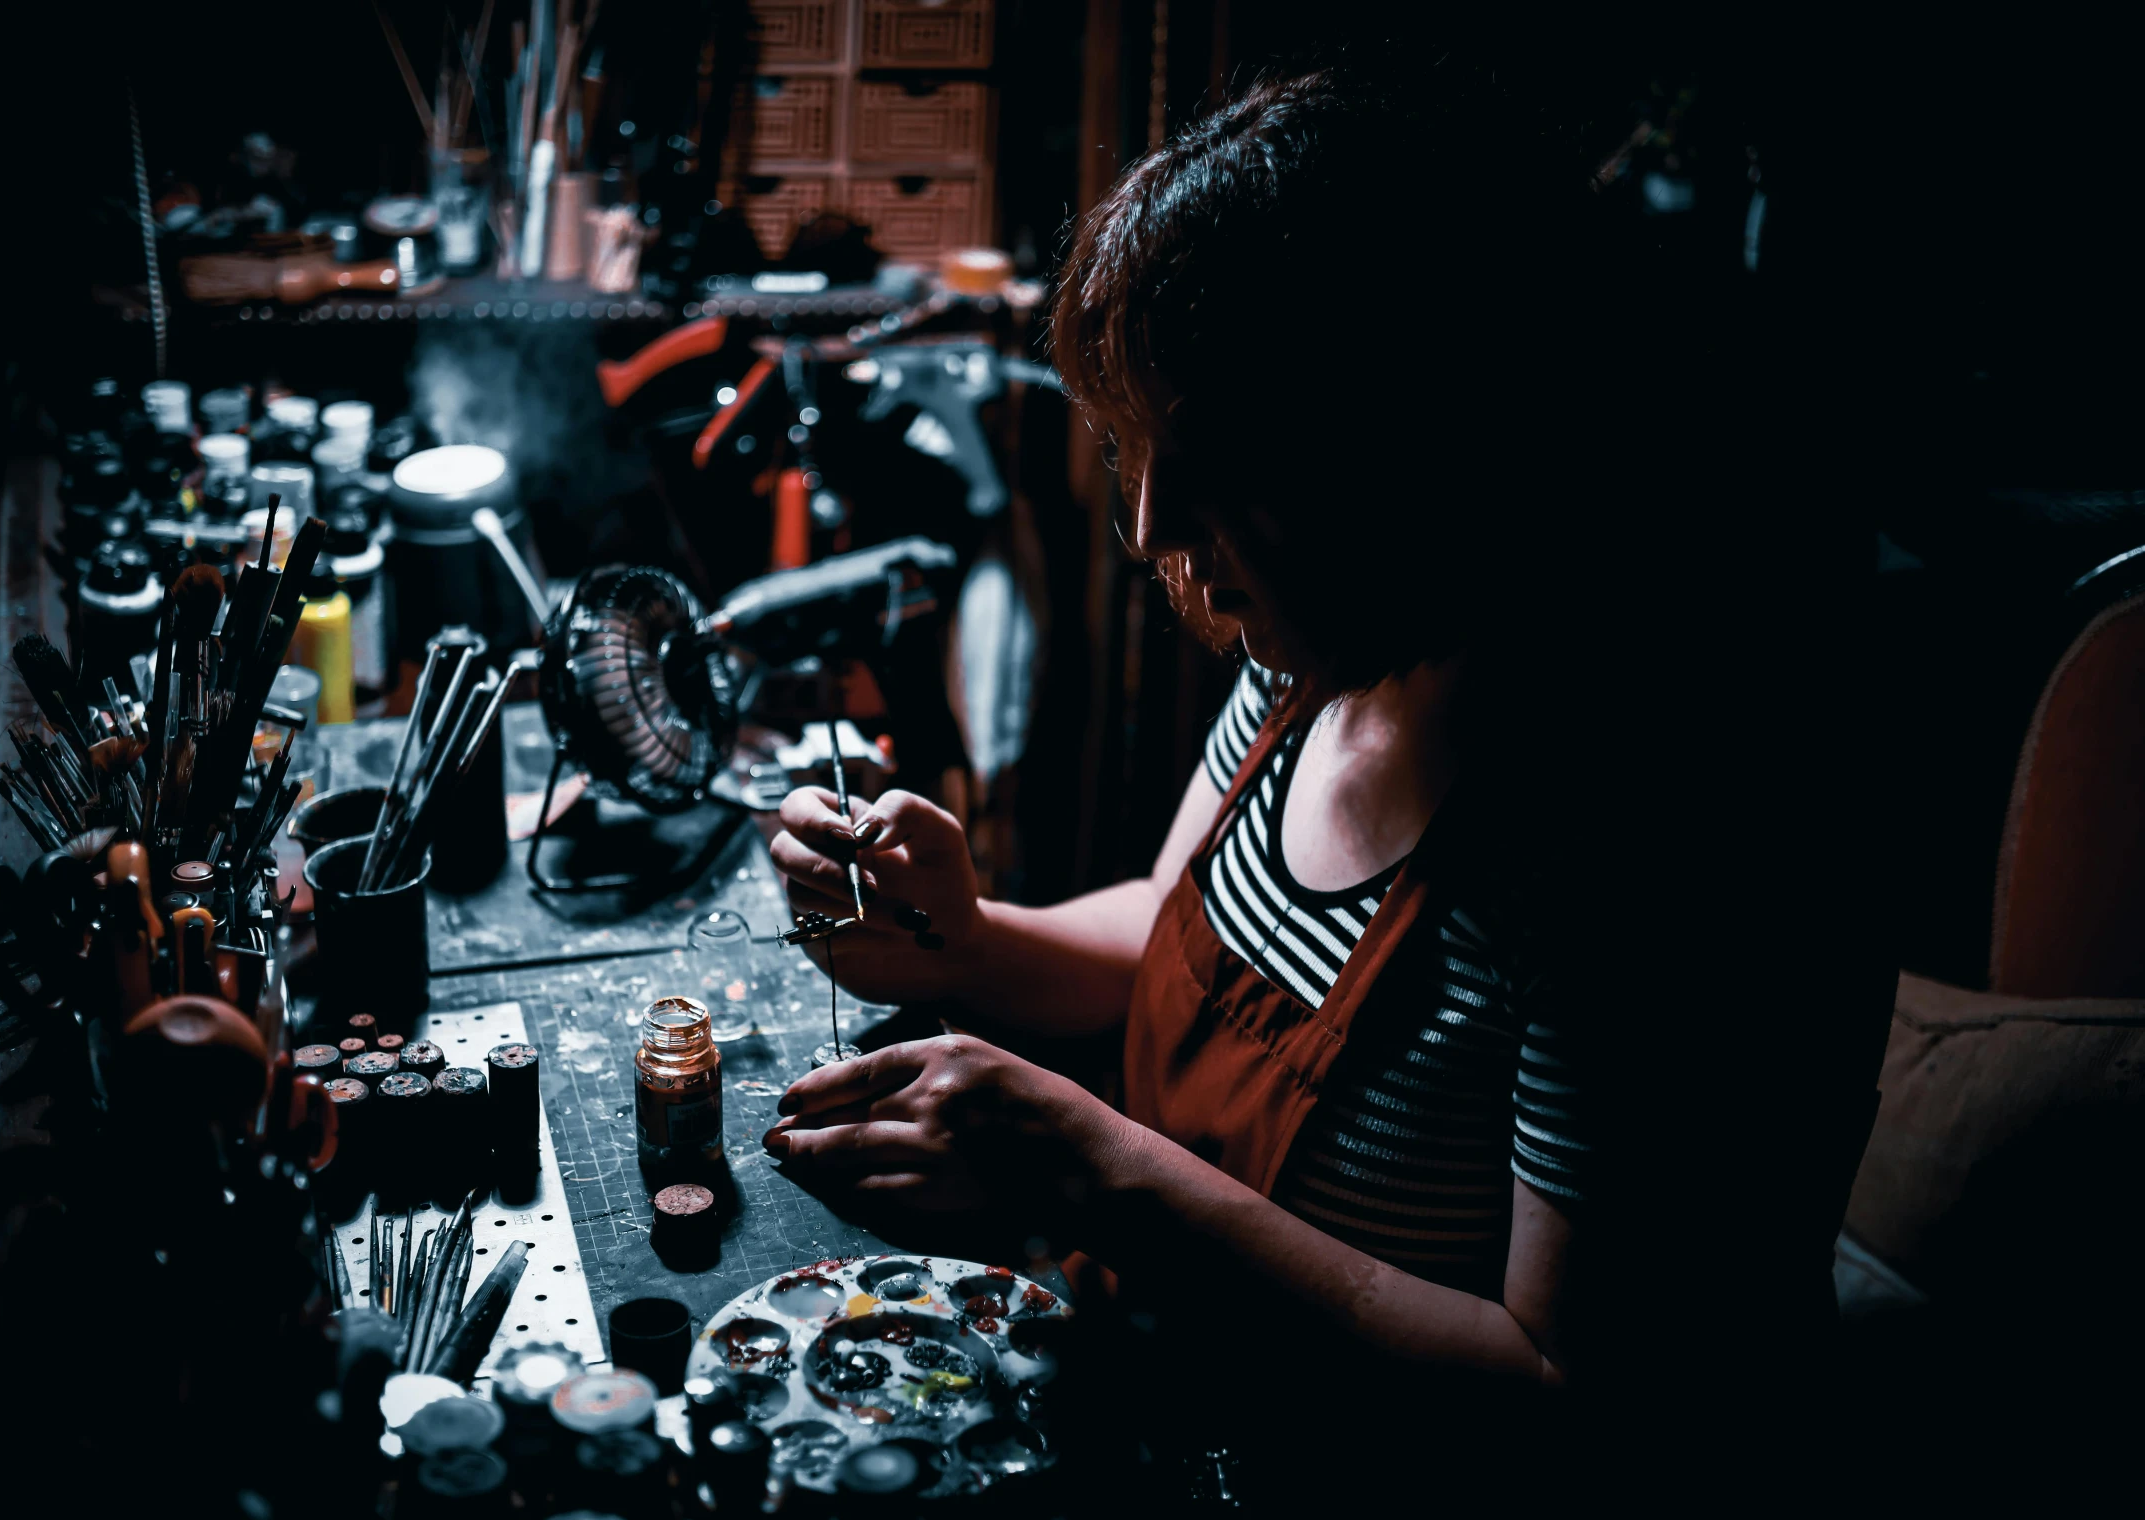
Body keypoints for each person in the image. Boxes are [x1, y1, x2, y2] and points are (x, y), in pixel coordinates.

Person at [767, 62, 1885, 1447]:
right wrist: (960, 938)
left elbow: (1578, 1398)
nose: (1151, 528)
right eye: (1135, 448)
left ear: (1422, 431)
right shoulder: (1326, 651)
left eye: (1221, 452)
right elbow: (1177, 937)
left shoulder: (1646, 846)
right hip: (1204, 1398)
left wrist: (1092, 1164)